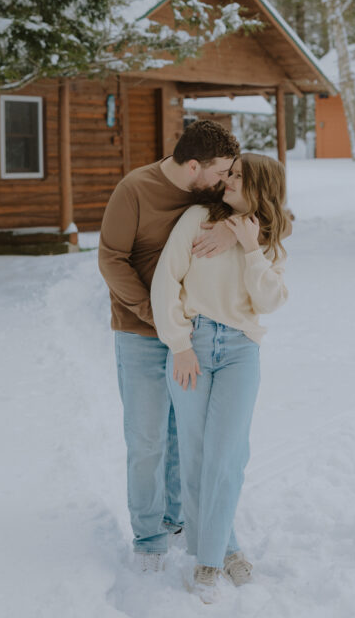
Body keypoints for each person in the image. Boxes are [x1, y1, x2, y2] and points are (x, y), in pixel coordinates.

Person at [98, 120, 240, 571]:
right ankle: (149, 538)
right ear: (194, 165)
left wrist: (234, 231)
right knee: (147, 438)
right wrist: (155, 315)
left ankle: (175, 517)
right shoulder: (135, 189)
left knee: (184, 435)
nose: (224, 182)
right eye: (219, 172)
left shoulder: (212, 192)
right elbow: (110, 259)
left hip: (195, 335)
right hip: (140, 332)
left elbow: (280, 220)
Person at [150, 152, 290, 601]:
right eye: (228, 173)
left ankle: (207, 560)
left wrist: (249, 248)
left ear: (259, 187)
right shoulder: (197, 219)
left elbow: (269, 300)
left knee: (227, 456)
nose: (226, 180)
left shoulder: (267, 238)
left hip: (239, 351)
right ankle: (224, 551)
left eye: (237, 176)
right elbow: (166, 281)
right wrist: (180, 345)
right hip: (192, 347)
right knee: (195, 455)